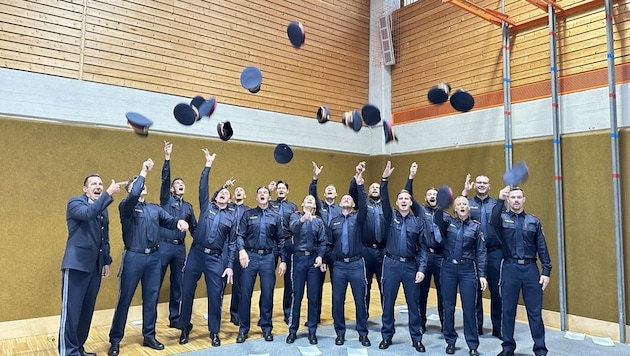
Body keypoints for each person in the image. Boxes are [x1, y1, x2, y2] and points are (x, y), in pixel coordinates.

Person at [107, 159, 190, 356]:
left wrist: (179, 223)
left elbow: (169, 221)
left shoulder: (154, 208)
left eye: (142, 183)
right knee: (124, 298)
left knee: (151, 298)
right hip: (133, 257)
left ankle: (149, 335)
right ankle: (115, 339)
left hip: (154, 258)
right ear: (130, 189)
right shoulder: (126, 206)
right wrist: (143, 171)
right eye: (136, 183)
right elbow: (134, 192)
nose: (140, 186)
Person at [59, 174, 126, 356]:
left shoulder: (102, 209)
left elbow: (105, 237)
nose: (98, 186)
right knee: (72, 312)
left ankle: (78, 348)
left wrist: (106, 261)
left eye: (101, 184)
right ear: (85, 189)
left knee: (86, 312)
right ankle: (68, 352)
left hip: (95, 268)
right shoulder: (75, 203)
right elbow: (88, 213)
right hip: (76, 266)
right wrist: (109, 193)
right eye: (94, 184)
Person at [178, 149, 237, 347]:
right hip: (196, 254)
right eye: (221, 192)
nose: (223, 194)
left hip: (215, 259)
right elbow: (203, 186)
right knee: (187, 291)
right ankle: (185, 326)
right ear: (215, 197)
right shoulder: (206, 206)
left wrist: (229, 265)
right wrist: (208, 165)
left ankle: (214, 331)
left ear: (229, 200)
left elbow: (232, 243)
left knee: (215, 296)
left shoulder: (232, 217)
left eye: (226, 194)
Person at [490, 186, 551, 356]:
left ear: (524, 199)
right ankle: (508, 348)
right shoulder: (501, 219)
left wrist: (546, 270)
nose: (516, 200)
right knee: (508, 311)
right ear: (509, 200)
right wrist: (500, 199)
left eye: (519, 197)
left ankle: (540, 350)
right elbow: (492, 223)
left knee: (535, 312)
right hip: (510, 268)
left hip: (531, 269)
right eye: (513, 197)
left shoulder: (534, 221)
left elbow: (542, 247)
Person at [377, 161, 429, 353]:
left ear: (411, 202)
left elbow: (423, 248)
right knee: (388, 302)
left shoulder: (418, 222)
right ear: (397, 203)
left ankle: (416, 338)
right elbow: (383, 198)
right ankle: (386, 336)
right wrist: (384, 180)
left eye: (408, 198)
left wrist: (422, 269)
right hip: (391, 264)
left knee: (413, 304)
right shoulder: (390, 216)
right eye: (401, 199)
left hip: (410, 267)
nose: (405, 201)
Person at [434, 195, 488, 356]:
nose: (462, 206)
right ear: (455, 209)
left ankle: (472, 344)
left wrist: (482, 275)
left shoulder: (476, 227)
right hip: (448, 268)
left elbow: (481, 252)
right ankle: (450, 341)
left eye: (465, 203)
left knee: (469, 308)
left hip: (467, 269)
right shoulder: (448, 223)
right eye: (459, 204)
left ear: (469, 207)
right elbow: (437, 218)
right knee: (448, 306)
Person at [235, 186, 286, 343]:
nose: (262, 194)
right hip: (250, 257)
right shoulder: (248, 214)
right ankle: (243, 329)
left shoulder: (276, 216)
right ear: (256, 197)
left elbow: (281, 240)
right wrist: (242, 250)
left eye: (265, 193)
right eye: (260, 193)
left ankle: (266, 327)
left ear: (269, 197)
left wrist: (283, 260)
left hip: (268, 259)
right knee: (245, 294)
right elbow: (239, 235)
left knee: (267, 293)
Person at [328, 166, 370, 347]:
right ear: (340, 204)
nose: (346, 199)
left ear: (353, 205)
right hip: (339, 266)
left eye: (349, 199)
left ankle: (362, 333)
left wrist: (360, 186)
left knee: (360, 299)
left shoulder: (359, 218)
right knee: (338, 300)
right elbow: (328, 244)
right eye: (343, 198)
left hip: (356, 265)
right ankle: (340, 332)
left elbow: (364, 203)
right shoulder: (333, 221)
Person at [158, 141, 197, 329]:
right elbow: (165, 180)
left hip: (180, 249)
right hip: (163, 246)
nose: (180, 185)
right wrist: (167, 158)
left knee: (177, 284)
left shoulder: (188, 207)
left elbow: (195, 230)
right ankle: (150, 321)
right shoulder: (165, 200)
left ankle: (175, 318)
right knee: (155, 283)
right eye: (177, 184)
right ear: (172, 189)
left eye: (182, 184)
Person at [405, 162, 445, 333]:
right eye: (429, 194)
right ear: (425, 198)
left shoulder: (445, 213)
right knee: (421, 292)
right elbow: (408, 195)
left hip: (441, 257)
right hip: (424, 257)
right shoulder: (420, 210)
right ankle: (421, 322)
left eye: (435, 194)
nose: (432, 196)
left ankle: (445, 322)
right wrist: (411, 177)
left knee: (443, 292)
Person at [462, 173, 503, 338]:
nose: (481, 185)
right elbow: (458, 213)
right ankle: (477, 327)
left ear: (489, 186)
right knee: (475, 292)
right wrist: (464, 193)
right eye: (478, 182)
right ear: (474, 185)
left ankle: (498, 328)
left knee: (497, 292)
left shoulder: (497, 204)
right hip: (474, 253)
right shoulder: (468, 204)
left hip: (494, 252)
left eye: (484, 182)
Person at [285, 195, 328, 345]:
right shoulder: (295, 217)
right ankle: (293, 330)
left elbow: (323, 241)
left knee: (313, 297)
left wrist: (321, 256)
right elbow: (292, 230)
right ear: (303, 203)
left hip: (313, 261)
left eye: (312, 199)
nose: (310, 200)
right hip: (298, 260)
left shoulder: (318, 221)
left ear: (315, 204)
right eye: (307, 198)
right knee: (297, 296)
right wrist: (303, 219)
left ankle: (312, 331)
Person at [349, 161, 387, 318]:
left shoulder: (387, 206)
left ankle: (387, 316)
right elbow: (353, 192)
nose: (375, 189)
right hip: (366, 250)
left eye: (377, 187)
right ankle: (363, 316)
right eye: (372, 187)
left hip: (383, 250)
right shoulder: (363, 204)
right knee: (366, 285)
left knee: (384, 285)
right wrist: (357, 176)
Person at [308, 161, 341, 324]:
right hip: (319, 251)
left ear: (336, 195)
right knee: (316, 286)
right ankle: (315, 317)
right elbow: (312, 194)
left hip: (335, 251)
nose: (329, 190)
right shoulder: (319, 205)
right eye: (327, 189)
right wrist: (315, 178)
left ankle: (337, 317)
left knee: (337, 285)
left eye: (332, 189)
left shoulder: (340, 209)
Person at [268, 180, 298, 324]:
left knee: (289, 280)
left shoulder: (293, 207)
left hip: (287, 243)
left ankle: (288, 313)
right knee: (268, 279)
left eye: (283, 188)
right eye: (278, 188)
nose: (280, 190)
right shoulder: (269, 204)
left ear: (287, 191)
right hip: (271, 243)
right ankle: (265, 315)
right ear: (275, 191)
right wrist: (267, 189)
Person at [224, 185, 250, 326]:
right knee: (221, 283)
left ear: (245, 196)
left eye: (242, 190)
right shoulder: (228, 207)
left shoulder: (249, 210)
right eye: (237, 190)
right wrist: (225, 187)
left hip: (241, 249)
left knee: (239, 284)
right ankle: (217, 312)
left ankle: (236, 313)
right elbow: (214, 200)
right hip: (227, 247)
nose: (239, 191)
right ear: (233, 195)